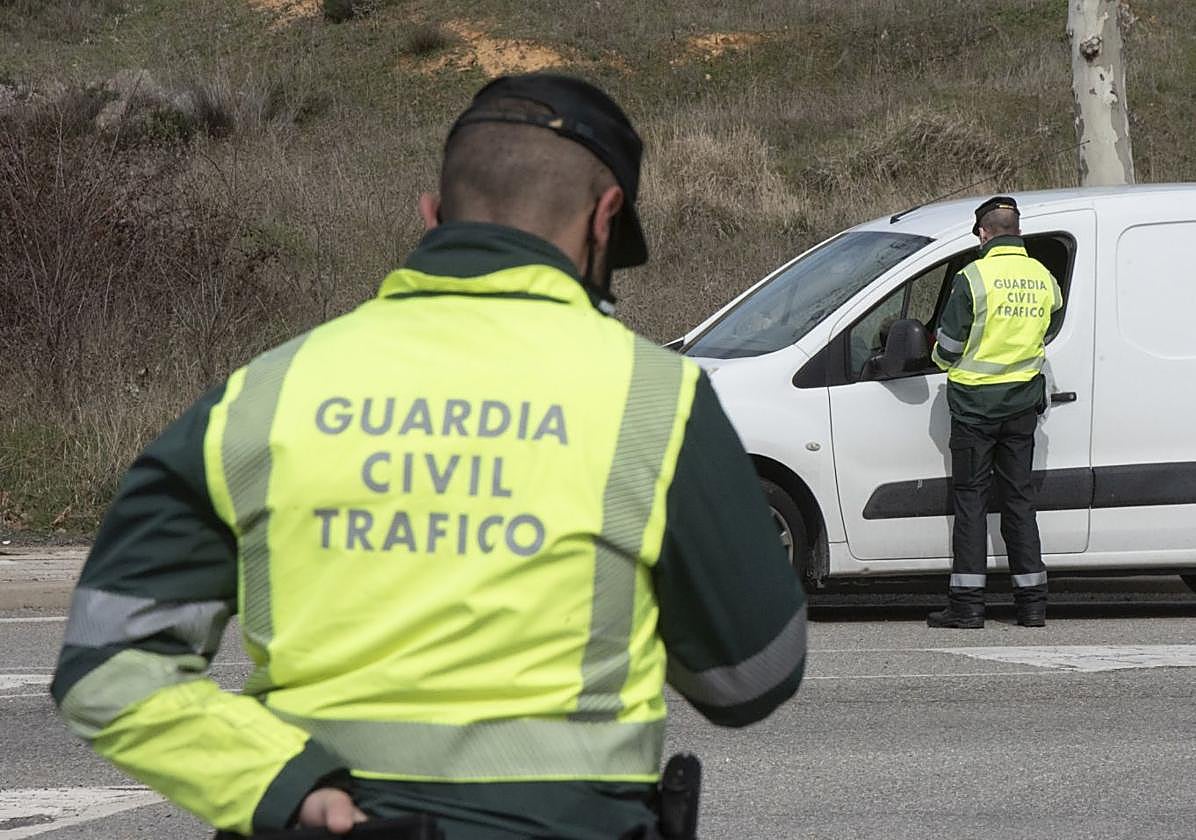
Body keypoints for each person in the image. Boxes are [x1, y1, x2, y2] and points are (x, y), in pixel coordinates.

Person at [50, 73, 807, 839]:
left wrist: (285, 788)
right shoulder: (655, 400)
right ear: (605, 219)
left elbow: (108, 669)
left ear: (433, 216)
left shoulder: (261, 397)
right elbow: (753, 678)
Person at [927, 196, 1062, 630]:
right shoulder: (1043, 276)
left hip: (974, 408)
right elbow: (1052, 317)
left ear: (983, 233)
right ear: (1017, 231)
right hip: (1022, 406)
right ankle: (1032, 604)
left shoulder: (972, 277)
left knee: (971, 502)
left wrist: (941, 357)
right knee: (1019, 499)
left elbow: (947, 350)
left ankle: (967, 605)